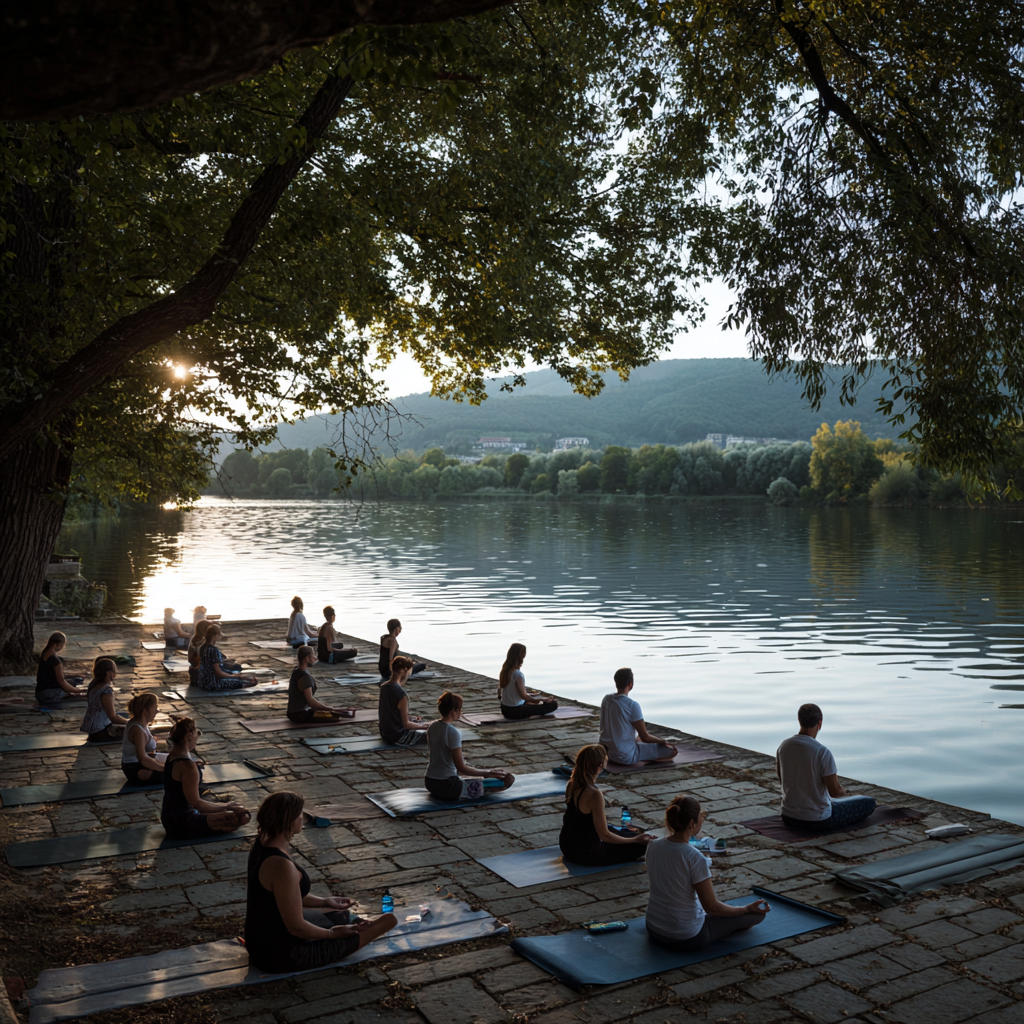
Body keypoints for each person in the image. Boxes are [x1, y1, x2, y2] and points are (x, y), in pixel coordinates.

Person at [245, 791, 397, 973]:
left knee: (338, 915)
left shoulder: (262, 844)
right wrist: (332, 934)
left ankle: (341, 922)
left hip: (260, 940)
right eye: (299, 814)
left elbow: (286, 895)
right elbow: (296, 928)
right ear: (288, 822)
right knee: (388, 920)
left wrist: (325, 902)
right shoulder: (280, 865)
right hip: (281, 955)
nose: (303, 818)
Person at [645, 795, 770, 950]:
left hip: (654, 927)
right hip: (685, 936)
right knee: (756, 915)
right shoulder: (694, 857)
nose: (703, 818)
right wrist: (746, 909)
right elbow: (711, 907)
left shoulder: (653, 845)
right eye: (700, 815)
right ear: (692, 823)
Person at [776, 704, 877, 831]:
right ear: (820, 723)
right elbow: (834, 791)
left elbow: (782, 778)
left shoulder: (784, 746)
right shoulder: (822, 752)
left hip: (788, 816)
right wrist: (845, 792)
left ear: (799, 720)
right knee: (868, 802)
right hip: (818, 820)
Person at [559, 744, 653, 866]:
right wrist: (635, 840)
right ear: (600, 766)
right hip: (586, 852)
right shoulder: (594, 793)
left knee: (634, 832)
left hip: (567, 846)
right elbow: (604, 834)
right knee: (640, 845)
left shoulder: (572, 784)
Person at [161, 718, 251, 839]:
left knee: (228, 809)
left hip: (169, 818)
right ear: (189, 736)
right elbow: (197, 803)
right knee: (242, 816)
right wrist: (225, 806)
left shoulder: (172, 756)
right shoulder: (188, 766)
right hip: (183, 823)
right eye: (196, 736)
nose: (196, 740)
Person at [425, 691, 515, 801]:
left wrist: (483, 773)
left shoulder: (432, 726)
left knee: (477, 777)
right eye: (460, 709)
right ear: (453, 711)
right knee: (508, 780)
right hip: (447, 786)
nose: (461, 712)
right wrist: (488, 772)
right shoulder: (452, 732)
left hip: (430, 781)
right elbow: (461, 767)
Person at [599, 668, 677, 765]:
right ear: (631, 684)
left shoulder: (606, 699)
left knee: (637, 738)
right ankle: (645, 757)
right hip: (624, 756)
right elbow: (645, 737)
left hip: (607, 752)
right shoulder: (632, 705)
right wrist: (663, 741)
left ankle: (645, 753)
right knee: (671, 750)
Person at [287, 647, 353, 723]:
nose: (315, 658)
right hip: (300, 715)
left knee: (331, 710)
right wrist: (332, 709)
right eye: (313, 655)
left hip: (294, 713)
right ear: (307, 659)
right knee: (335, 715)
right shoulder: (305, 677)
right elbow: (310, 701)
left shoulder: (296, 670)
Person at [497, 643, 558, 719]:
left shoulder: (505, 671)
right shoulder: (517, 674)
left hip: (505, 709)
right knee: (553, 704)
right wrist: (542, 699)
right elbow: (524, 696)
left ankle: (537, 703)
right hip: (515, 712)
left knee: (532, 701)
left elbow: (502, 692)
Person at [378, 656, 428, 746]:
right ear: (404, 671)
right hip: (398, 736)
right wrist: (422, 726)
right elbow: (406, 725)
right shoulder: (401, 695)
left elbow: (391, 712)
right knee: (433, 732)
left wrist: (412, 719)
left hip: (385, 733)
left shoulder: (384, 687)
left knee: (420, 721)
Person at [121, 693, 167, 785]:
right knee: (172, 776)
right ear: (146, 710)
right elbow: (143, 758)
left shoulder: (142, 724)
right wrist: (164, 769)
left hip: (140, 764)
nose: (157, 711)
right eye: (155, 708)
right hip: (134, 769)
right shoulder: (137, 729)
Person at [197, 623, 259, 691]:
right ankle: (248, 684)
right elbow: (218, 673)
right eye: (219, 634)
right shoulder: (214, 650)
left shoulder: (202, 648)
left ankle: (241, 679)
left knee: (237, 675)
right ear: (214, 635)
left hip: (202, 682)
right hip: (212, 683)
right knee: (239, 682)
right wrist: (231, 676)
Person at [80, 658, 128, 742]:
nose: (116, 674)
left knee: (124, 715)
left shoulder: (93, 684)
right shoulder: (106, 691)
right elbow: (113, 717)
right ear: (109, 673)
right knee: (138, 730)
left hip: (92, 729)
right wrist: (131, 723)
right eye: (114, 671)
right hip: (100, 731)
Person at [35, 631, 86, 705]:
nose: (62, 647)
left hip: (39, 693)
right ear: (56, 645)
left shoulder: (44, 653)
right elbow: (61, 682)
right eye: (62, 645)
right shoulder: (54, 660)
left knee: (74, 681)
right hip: (48, 695)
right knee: (78, 693)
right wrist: (77, 691)